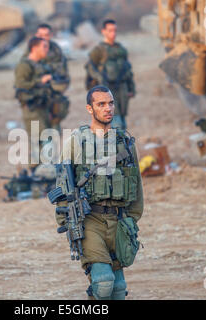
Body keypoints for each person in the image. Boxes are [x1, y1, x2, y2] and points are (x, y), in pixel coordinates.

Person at [54, 85, 144, 300]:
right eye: (101, 104)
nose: (108, 108)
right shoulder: (76, 141)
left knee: (119, 288)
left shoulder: (125, 142)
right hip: (90, 220)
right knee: (103, 282)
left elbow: (137, 185)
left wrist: (132, 220)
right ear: (89, 108)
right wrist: (65, 221)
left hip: (119, 220)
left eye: (110, 103)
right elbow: (62, 185)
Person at [85, 19, 136, 129]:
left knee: (122, 119)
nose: (113, 33)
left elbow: (128, 70)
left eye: (115, 30)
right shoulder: (98, 50)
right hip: (107, 89)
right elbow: (90, 68)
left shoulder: (121, 50)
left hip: (122, 88)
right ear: (103, 31)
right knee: (115, 121)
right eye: (110, 30)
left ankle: (121, 144)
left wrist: (131, 89)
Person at [14, 37, 53, 172]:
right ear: (34, 48)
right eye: (44, 46)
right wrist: (39, 81)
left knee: (45, 140)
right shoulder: (24, 65)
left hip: (42, 108)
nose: (46, 50)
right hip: (32, 109)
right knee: (41, 141)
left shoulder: (41, 65)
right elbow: (20, 85)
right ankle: (38, 172)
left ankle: (42, 172)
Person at [23, 24, 70, 132]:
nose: (43, 38)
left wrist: (58, 84)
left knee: (54, 127)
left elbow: (63, 73)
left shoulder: (56, 51)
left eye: (46, 35)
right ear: (36, 35)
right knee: (39, 130)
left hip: (53, 93)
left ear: (51, 35)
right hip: (37, 95)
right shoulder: (30, 52)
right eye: (40, 35)